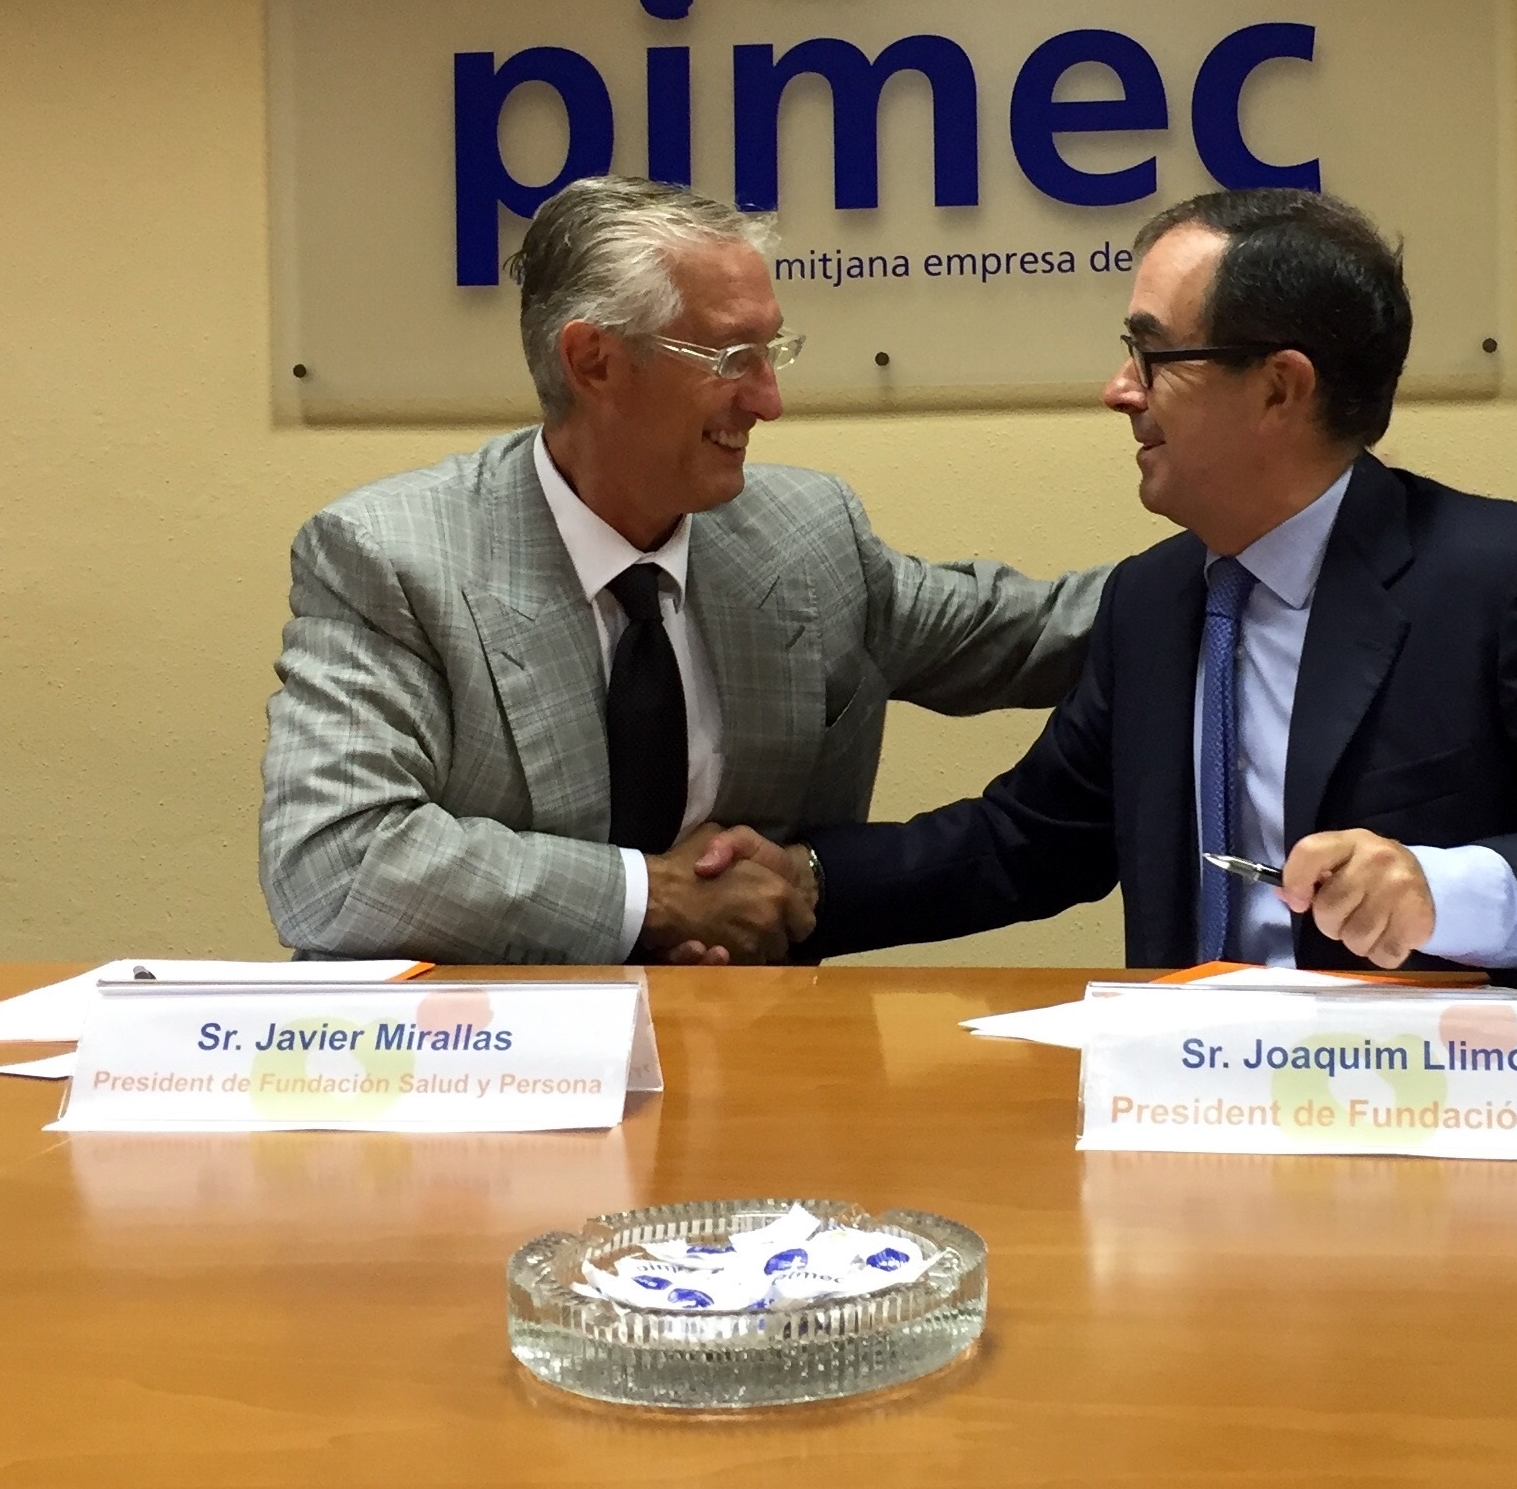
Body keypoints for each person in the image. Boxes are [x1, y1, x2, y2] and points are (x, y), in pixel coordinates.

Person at [760, 188, 1517, 986]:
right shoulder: (1154, 601)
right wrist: (795, 887)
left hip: (1417, 1116)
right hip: (1187, 1101)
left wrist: (1445, 888)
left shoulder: (1500, 579)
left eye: (1151, 355)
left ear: (1279, 387)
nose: (1117, 390)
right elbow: (1027, 843)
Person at [259, 178, 1106, 965]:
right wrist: (652, 897)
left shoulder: (805, 536)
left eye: (772, 352)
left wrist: (1195, 566)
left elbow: (1033, 634)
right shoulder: (392, 558)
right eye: (732, 358)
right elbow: (335, 859)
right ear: (593, 361)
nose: (769, 400)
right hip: (488, 1055)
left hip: (752, 1045)